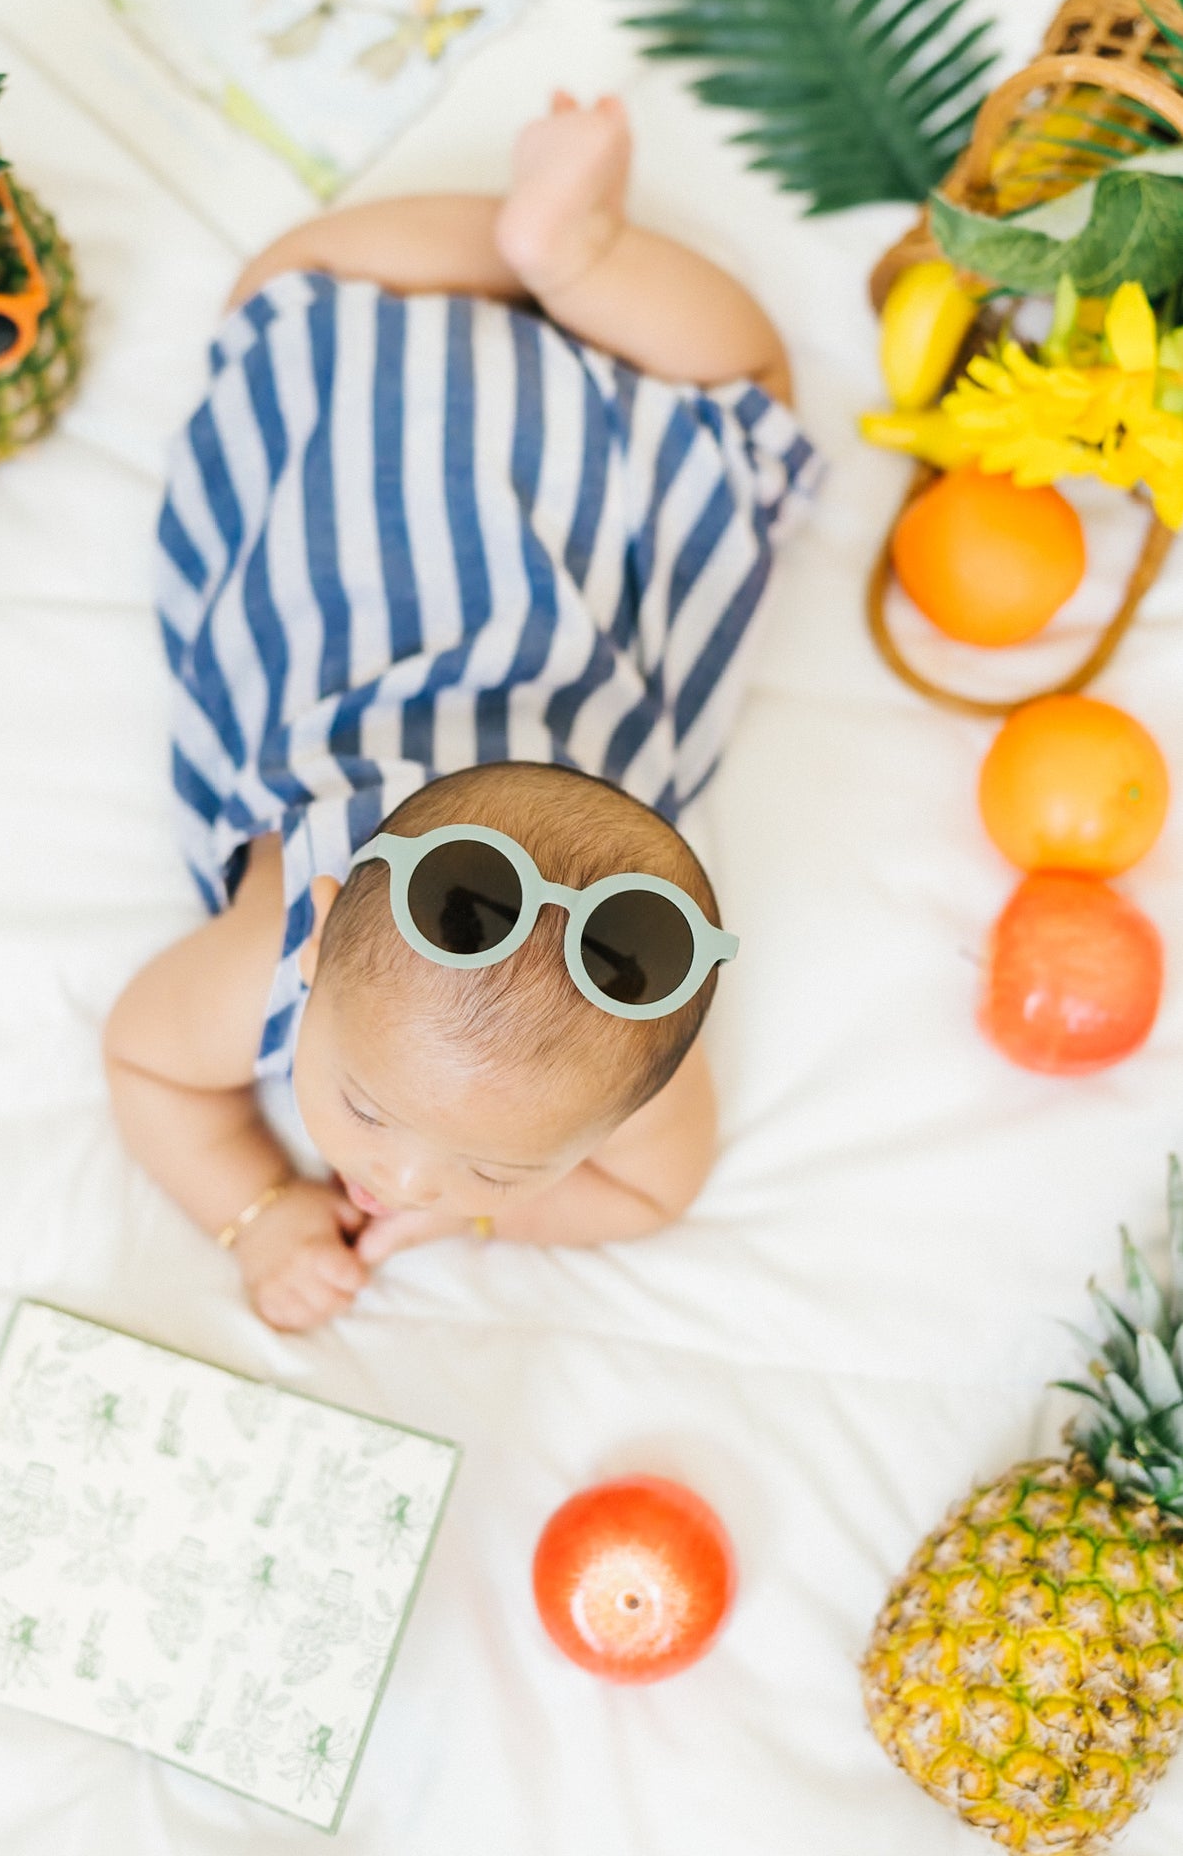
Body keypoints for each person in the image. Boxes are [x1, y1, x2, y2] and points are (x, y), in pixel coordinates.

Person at [105, 93, 817, 1331]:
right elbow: (147, 1061)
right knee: (289, 278)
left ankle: (558, 253)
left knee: (742, 382)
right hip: (379, 440)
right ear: (313, 938)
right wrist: (253, 1202)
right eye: (370, 1108)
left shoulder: (628, 1039)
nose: (402, 1177)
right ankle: (567, 254)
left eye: (493, 1165)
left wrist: (451, 1205)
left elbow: (654, 1189)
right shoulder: (269, 946)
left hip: (493, 438)